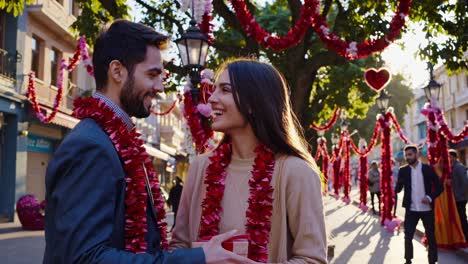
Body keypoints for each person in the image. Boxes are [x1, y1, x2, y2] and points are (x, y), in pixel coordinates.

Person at [44, 19, 245, 264]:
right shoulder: (90, 146)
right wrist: (196, 258)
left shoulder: (111, 139)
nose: (160, 87)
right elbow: (85, 257)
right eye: (152, 74)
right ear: (117, 71)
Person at [170, 58, 327, 263]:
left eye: (225, 90)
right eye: (214, 88)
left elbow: (312, 259)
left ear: (254, 103)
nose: (211, 99)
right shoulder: (201, 167)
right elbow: (179, 246)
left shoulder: (296, 172)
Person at [395, 145, 444, 264]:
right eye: (406, 155)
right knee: (408, 236)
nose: (407, 157)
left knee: (431, 237)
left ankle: (432, 261)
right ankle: (408, 260)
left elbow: (439, 187)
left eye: (410, 155)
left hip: (427, 210)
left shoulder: (427, 169)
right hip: (411, 210)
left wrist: (429, 197)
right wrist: (398, 182)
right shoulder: (403, 170)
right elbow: (397, 190)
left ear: (417, 155)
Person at [448, 149, 468, 242]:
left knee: (462, 218)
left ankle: (466, 237)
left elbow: (465, 183)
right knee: (459, 218)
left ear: (454, 157)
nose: (448, 158)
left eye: (449, 156)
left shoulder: (458, 167)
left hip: (460, 198)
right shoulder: (452, 167)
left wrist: (459, 195)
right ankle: (462, 236)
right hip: (456, 197)